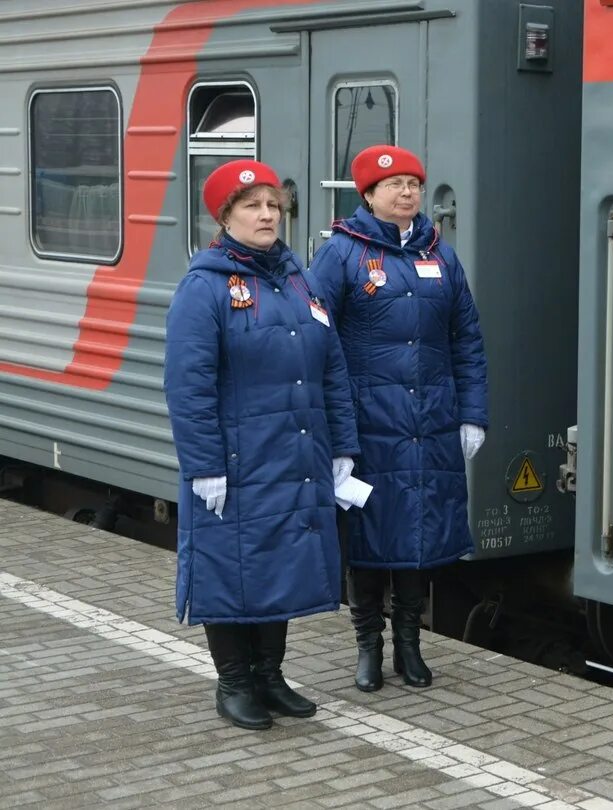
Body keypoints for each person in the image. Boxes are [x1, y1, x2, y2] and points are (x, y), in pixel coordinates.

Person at [164, 159, 359, 730]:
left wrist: (342, 446)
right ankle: (234, 683)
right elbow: (188, 384)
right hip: (234, 460)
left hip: (295, 453)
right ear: (226, 217)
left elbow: (333, 368)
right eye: (252, 205)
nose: (267, 214)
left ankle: (271, 675)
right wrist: (203, 464)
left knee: (280, 564)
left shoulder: (299, 279)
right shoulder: (204, 288)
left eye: (273, 205)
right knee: (229, 565)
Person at [311, 144, 489, 692]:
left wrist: (472, 415)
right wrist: (334, 430)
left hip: (431, 421)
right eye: (394, 185)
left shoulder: (442, 256)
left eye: (413, 183)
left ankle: (410, 644)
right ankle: (369, 646)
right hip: (369, 425)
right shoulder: (341, 254)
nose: (407, 192)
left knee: (419, 535)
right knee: (369, 537)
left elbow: (468, 341)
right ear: (367, 194)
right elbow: (317, 342)